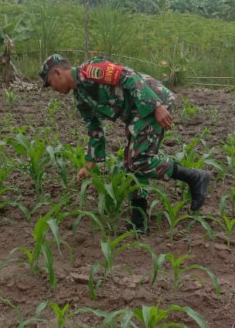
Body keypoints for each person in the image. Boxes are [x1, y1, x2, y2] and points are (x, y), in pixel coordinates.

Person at [39, 54, 211, 233]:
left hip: (151, 101)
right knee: (131, 164)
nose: (53, 89)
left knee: (140, 161)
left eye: (50, 83)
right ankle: (139, 224)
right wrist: (89, 164)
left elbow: (129, 76)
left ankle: (195, 177)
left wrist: (156, 106)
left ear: (57, 73)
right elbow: (94, 128)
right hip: (135, 113)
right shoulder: (80, 97)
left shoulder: (90, 71)